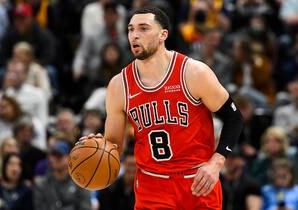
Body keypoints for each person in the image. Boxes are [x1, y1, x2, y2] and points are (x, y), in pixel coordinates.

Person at [79, 6, 243, 209]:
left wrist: (216, 163)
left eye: (143, 28)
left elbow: (234, 118)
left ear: (162, 34)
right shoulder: (119, 85)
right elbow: (114, 145)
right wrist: (99, 147)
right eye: (130, 29)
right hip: (152, 184)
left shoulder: (193, 72)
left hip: (198, 180)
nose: (134, 35)